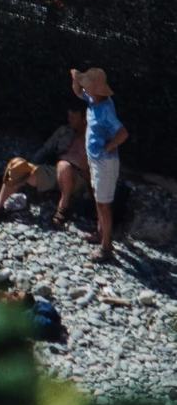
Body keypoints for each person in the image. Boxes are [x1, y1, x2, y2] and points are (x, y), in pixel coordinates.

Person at [0, 97, 90, 222]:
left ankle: (63, 206)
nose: (69, 119)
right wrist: (29, 168)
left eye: (73, 117)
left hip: (78, 179)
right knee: (17, 164)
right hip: (55, 173)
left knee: (65, 166)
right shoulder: (64, 131)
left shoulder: (94, 139)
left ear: (84, 119)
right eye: (68, 116)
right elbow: (45, 150)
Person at [72, 66, 128, 262]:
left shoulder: (104, 110)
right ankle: (99, 233)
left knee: (104, 204)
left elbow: (123, 133)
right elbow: (78, 91)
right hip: (96, 160)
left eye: (88, 85)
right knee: (99, 199)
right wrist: (76, 78)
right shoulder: (93, 101)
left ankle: (106, 247)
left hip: (105, 163)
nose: (84, 88)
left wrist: (110, 146)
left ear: (96, 89)